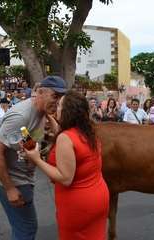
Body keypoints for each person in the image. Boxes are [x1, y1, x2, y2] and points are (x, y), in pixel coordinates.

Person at [23, 90, 109, 240]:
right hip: (98, 196)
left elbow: (65, 178)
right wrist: (50, 117)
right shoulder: (89, 131)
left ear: (68, 112)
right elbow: (66, 134)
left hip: (78, 204)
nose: (57, 108)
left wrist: (37, 159)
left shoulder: (65, 138)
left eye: (60, 106)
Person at [0, 76, 66, 240]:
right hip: (13, 181)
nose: (58, 101)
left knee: (21, 227)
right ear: (40, 93)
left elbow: (27, 141)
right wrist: (10, 188)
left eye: (61, 97)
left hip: (25, 178)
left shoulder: (42, 111)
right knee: (27, 229)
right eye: (55, 96)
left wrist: (51, 120)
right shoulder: (20, 116)